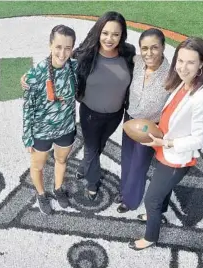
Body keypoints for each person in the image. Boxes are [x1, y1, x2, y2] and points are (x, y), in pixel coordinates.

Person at [128, 37, 203, 250]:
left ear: (202, 63)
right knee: (161, 191)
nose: (183, 67)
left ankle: (150, 237)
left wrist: (167, 142)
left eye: (190, 62)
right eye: (180, 60)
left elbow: (200, 139)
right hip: (165, 148)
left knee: (152, 199)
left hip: (175, 156)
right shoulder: (184, 83)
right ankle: (159, 211)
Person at [72, 11, 136, 201]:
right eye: (105, 33)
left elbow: (147, 69)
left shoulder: (129, 53)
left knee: (99, 145)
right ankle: (92, 183)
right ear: (98, 32)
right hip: (90, 114)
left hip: (115, 115)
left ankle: (84, 166)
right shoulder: (85, 54)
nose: (110, 39)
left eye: (115, 34)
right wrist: (29, 78)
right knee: (92, 148)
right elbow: (58, 63)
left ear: (122, 35)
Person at [22, 24, 78, 215]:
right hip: (41, 131)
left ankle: (58, 188)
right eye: (58, 47)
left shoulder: (76, 67)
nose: (62, 53)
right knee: (38, 166)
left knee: (61, 161)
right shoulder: (36, 72)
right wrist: (27, 136)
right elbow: (28, 106)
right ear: (50, 45)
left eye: (68, 48)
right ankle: (40, 194)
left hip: (66, 128)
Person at [115, 28, 171, 214]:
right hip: (130, 117)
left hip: (150, 126)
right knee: (127, 158)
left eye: (154, 48)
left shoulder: (171, 75)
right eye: (144, 48)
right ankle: (124, 191)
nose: (149, 53)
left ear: (163, 47)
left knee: (139, 164)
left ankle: (131, 200)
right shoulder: (137, 61)